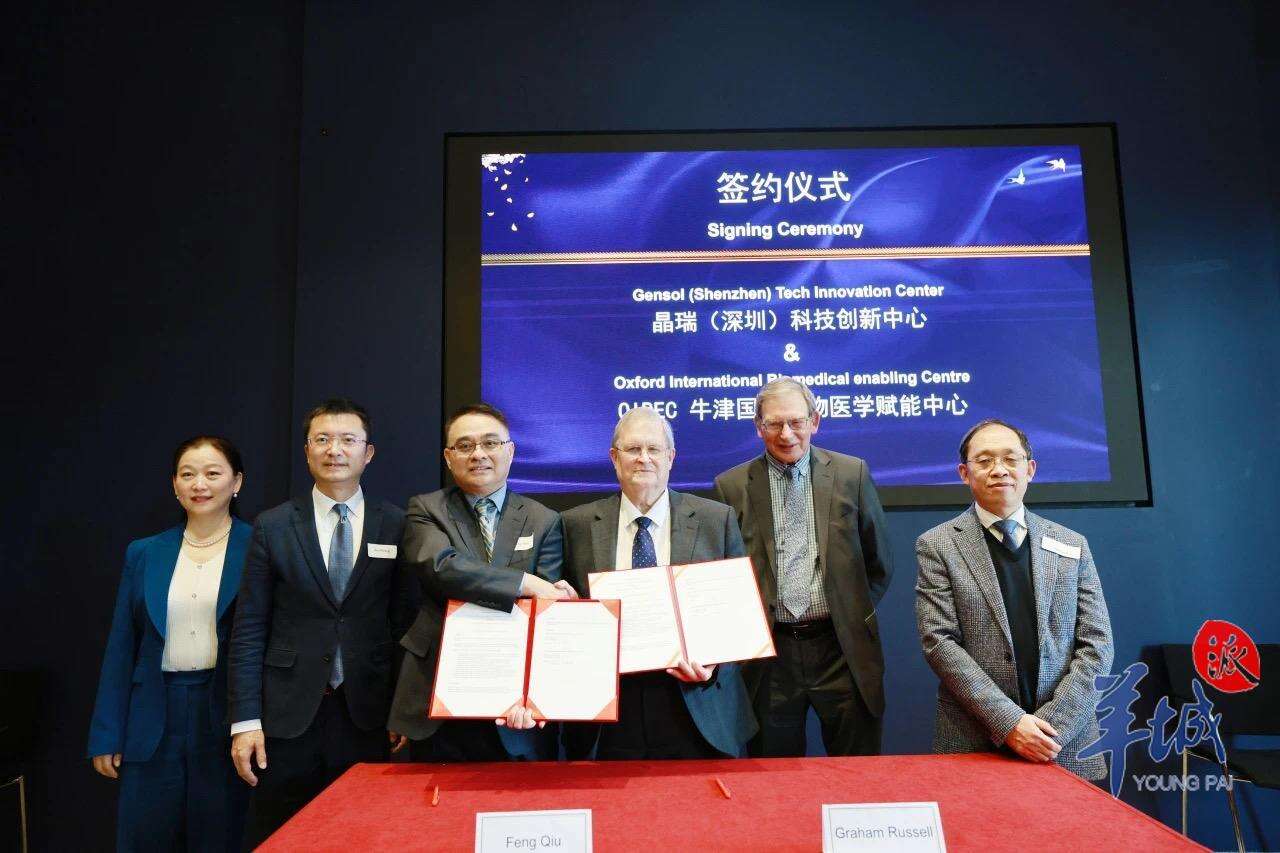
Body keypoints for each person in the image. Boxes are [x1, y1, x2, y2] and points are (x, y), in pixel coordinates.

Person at [227, 399, 413, 845]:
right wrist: (245, 721)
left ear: (368, 453)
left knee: (362, 837)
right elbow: (249, 628)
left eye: (348, 440)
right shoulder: (273, 526)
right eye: (323, 439)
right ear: (307, 450)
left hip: (367, 713)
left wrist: (402, 710)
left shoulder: (397, 524)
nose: (335, 450)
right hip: (287, 715)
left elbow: (405, 625)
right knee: (283, 838)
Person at [914, 419, 1114, 779]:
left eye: (1010, 459)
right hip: (975, 738)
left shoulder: (1072, 544)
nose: (999, 470)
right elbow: (939, 642)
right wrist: (1010, 724)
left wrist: (1052, 728)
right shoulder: (938, 545)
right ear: (964, 473)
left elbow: (1097, 644)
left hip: (1065, 743)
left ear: (1030, 469)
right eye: (984, 460)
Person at [561, 406, 756, 760]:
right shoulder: (575, 525)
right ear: (614, 458)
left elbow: (739, 615)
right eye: (633, 449)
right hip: (610, 712)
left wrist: (715, 662)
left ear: (671, 457)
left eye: (653, 449)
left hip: (696, 705)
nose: (643, 458)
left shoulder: (715, 519)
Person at [87, 436, 252, 851]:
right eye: (187, 474)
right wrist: (107, 733)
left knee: (222, 836)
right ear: (174, 484)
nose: (199, 484)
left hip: (225, 713)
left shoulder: (259, 546)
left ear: (236, 482)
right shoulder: (145, 552)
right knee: (146, 837)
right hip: (153, 715)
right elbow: (122, 645)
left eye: (212, 473)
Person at [713, 376, 892, 757]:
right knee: (774, 774)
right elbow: (724, 575)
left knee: (857, 771)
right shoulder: (731, 486)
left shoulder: (851, 474)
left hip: (841, 649)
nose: (786, 434)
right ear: (758, 427)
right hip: (770, 654)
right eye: (774, 423)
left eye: (796, 422)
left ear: (815, 421)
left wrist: (848, 613)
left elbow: (879, 562)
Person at [388, 403, 574, 762]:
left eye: (490, 443)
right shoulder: (426, 509)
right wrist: (525, 582)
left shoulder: (544, 520)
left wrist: (549, 595)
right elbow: (442, 568)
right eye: (465, 445)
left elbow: (544, 607)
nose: (478, 454)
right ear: (448, 457)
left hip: (516, 702)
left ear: (510, 451)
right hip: (438, 692)